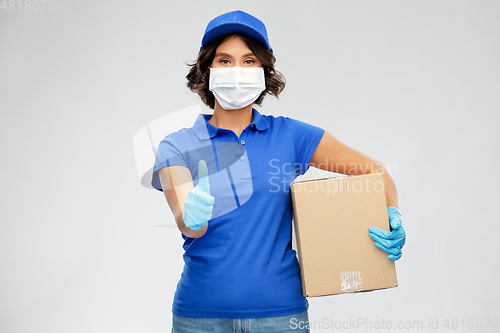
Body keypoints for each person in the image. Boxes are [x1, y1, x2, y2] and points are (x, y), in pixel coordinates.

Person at [151, 10, 406, 333]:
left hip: (280, 317)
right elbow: (187, 222)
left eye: (248, 61)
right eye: (224, 60)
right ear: (207, 70)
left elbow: (374, 172)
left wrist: (391, 213)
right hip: (200, 318)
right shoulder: (177, 146)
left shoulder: (291, 137)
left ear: (263, 70)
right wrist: (192, 215)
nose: (237, 71)